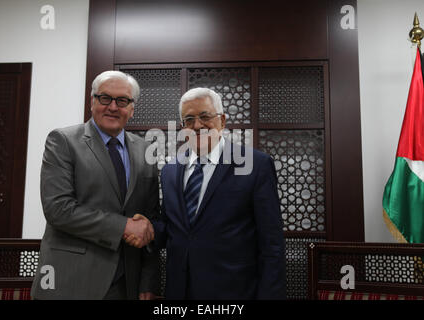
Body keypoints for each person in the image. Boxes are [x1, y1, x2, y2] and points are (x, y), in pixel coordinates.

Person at [147, 87, 286, 299]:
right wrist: (143, 229)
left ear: (222, 121)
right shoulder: (169, 171)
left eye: (205, 116)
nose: (197, 125)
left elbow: (272, 244)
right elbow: (171, 229)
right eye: (189, 119)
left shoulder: (256, 166)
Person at [31, 71, 160, 300]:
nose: (112, 106)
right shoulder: (63, 141)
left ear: (132, 108)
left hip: (127, 283)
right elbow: (58, 209)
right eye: (104, 98)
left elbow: (148, 220)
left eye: (122, 101)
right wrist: (122, 227)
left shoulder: (145, 150)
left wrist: (148, 281)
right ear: (92, 101)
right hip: (71, 281)